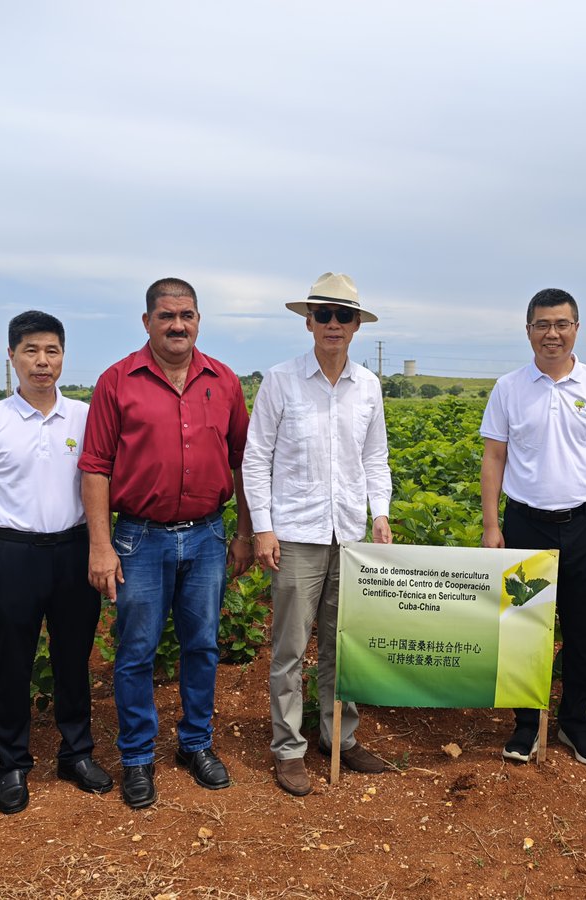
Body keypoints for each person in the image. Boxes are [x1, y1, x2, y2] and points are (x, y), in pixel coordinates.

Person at [79, 277, 254, 809]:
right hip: (138, 537)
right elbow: (94, 468)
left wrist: (244, 531)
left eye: (187, 315)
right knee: (136, 651)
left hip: (205, 535)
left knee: (202, 646)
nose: (177, 325)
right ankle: (136, 757)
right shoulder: (117, 381)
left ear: (198, 320)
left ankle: (195, 743)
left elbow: (244, 461)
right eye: (166, 315)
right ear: (147, 321)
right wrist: (101, 545)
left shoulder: (222, 380)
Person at [0, 311, 112, 815]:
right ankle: (12, 764)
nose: (42, 362)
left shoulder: (85, 417)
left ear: (63, 357)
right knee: (11, 661)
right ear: (12, 356)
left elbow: (101, 485)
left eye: (51, 351)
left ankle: (77, 753)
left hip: (73, 551)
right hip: (12, 553)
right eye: (31, 351)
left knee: (74, 656)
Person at [243, 272, 392, 796]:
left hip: (349, 533)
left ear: (355, 326)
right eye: (323, 315)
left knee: (342, 644)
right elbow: (256, 458)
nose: (333, 324)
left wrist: (380, 513)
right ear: (308, 322)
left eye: (343, 316)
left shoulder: (368, 386)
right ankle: (288, 748)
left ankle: (339, 737)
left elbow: (375, 457)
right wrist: (263, 528)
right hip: (296, 534)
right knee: (289, 648)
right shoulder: (282, 381)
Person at [480, 287, 586, 766]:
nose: (552, 333)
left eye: (561, 324)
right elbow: (494, 457)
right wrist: (491, 525)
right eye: (542, 325)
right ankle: (526, 724)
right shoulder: (509, 388)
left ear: (576, 329)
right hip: (526, 524)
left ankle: (575, 722)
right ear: (528, 331)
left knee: (584, 631)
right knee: (523, 626)